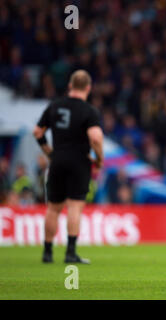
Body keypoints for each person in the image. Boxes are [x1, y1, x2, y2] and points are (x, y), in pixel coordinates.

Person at [33, 70, 104, 264]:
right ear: (88, 88)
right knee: (74, 207)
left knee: (53, 208)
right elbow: (96, 138)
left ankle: (47, 252)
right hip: (79, 162)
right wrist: (99, 158)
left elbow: (37, 131)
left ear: (70, 86)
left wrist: (49, 153)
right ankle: (70, 253)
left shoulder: (55, 106)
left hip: (57, 161)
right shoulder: (89, 111)